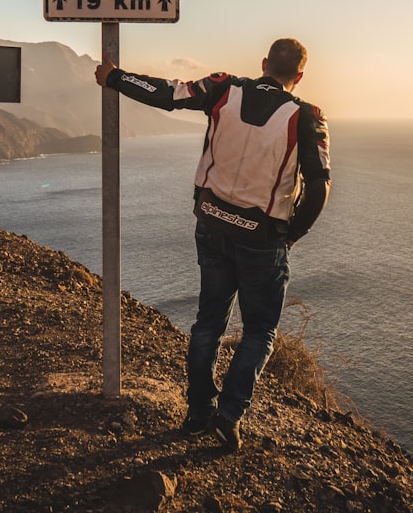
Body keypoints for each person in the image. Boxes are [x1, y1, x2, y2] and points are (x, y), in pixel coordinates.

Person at [94, 38, 331, 451]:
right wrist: (292, 234)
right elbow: (318, 189)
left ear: (263, 63)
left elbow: (167, 94)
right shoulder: (307, 117)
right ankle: (228, 416)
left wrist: (114, 76)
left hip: (213, 225)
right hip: (262, 239)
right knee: (259, 331)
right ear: (300, 76)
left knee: (208, 322)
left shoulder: (224, 88)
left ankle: (198, 412)